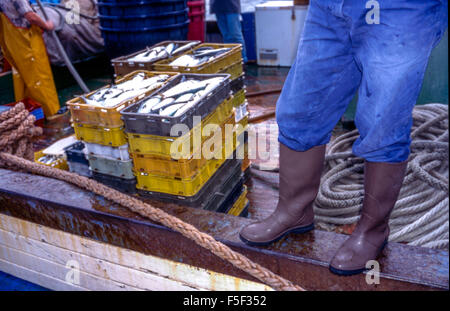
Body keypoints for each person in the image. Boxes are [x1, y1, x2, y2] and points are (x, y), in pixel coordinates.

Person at [239, 0, 448, 275]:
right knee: (301, 109)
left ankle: (373, 231)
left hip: (401, 9)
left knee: (382, 121)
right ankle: (294, 211)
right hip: (328, 7)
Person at [0, 0, 64, 120]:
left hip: (12, 39)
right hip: (26, 38)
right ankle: (50, 113)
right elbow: (30, 16)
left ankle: (31, 112)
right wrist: (47, 25)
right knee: (38, 76)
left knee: (23, 77)